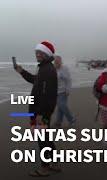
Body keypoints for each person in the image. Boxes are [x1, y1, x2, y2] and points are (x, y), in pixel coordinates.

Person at [15, 41, 60, 176]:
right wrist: (22, 71)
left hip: (41, 112)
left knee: (43, 140)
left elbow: (48, 95)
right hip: (41, 111)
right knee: (46, 137)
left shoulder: (48, 70)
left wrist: (40, 114)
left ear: (47, 54)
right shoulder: (44, 68)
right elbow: (35, 80)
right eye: (36, 53)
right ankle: (55, 163)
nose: (38, 55)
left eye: (40, 53)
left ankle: (45, 168)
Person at [53, 55, 76, 127]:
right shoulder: (53, 69)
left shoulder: (64, 69)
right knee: (60, 107)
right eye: (55, 61)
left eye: (58, 61)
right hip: (55, 91)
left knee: (62, 105)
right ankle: (58, 122)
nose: (56, 63)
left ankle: (72, 118)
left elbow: (68, 80)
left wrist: (68, 89)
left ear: (61, 61)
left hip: (63, 91)